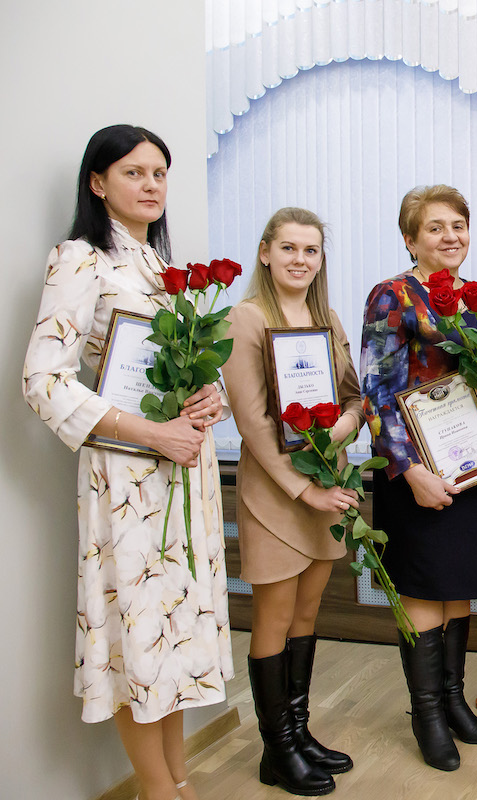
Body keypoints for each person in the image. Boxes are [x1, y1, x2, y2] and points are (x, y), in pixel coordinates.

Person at [22, 125, 231, 800]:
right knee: (138, 633)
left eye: (159, 173)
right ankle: (159, 790)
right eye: (134, 172)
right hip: (128, 477)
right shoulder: (80, 259)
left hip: (185, 471)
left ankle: (176, 782)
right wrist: (152, 434)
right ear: (97, 182)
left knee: (174, 634)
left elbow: (181, 369)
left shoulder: (162, 268)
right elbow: (43, 381)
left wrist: (210, 396)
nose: (151, 185)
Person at [361, 185, 477, 772]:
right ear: (410, 239)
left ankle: (453, 701)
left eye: (458, 226)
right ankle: (426, 714)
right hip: (416, 471)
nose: (451, 236)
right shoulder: (392, 296)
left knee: (456, 585)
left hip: (471, 464)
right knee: (424, 587)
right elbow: (377, 393)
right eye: (435, 227)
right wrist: (410, 470)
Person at [224, 208, 364, 794]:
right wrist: (305, 488)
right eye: (288, 248)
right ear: (265, 252)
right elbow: (253, 422)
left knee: (307, 614)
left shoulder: (327, 318)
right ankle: (277, 750)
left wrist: (339, 431)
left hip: (327, 487)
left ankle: (299, 735)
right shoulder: (246, 319)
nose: (300, 260)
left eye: (311, 250)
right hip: (278, 492)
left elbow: (354, 398)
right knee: (275, 619)